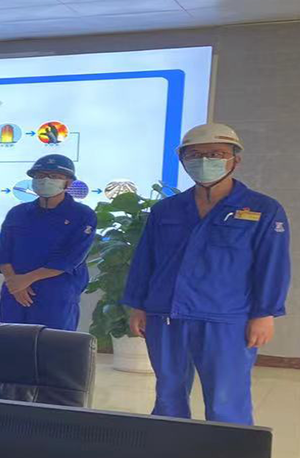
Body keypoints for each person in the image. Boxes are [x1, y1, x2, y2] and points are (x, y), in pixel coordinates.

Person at [123, 123, 289, 425]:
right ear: (183, 161)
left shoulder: (263, 209)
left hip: (226, 317)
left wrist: (264, 314)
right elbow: (145, 259)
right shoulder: (166, 210)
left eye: (216, 154)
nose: (204, 161)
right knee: (168, 396)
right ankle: (169, 448)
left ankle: (228, 453)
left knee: (226, 399)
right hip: (167, 313)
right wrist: (138, 305)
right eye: (195, 155)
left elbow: (272, 265)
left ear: (235, 160)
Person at [0, 154, 97, 331]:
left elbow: (71, 258)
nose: (46, 180)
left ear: (68, 183)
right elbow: (3, 253)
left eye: (54, 176)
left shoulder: (83, 215)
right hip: (15, 292)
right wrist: (15, 283)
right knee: (11, 342)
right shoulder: (18, 213)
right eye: (40, 176)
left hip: (56, 293)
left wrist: (27, 279)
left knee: (53, 343)